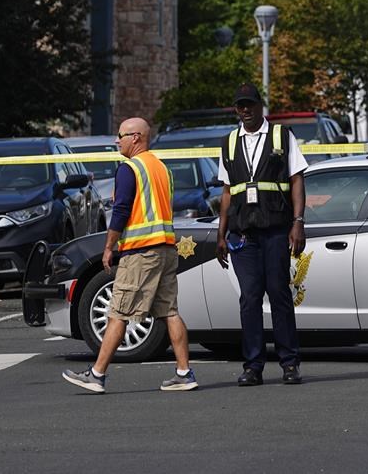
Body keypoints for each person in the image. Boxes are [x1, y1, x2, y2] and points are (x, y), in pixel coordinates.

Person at [62, 117, 197, 393]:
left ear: (136, 137)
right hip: (166, 248)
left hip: (141, 251)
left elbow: (122, 210)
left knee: (118, 312)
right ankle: (184, 373)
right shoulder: (161, 167)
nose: (116, 140)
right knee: (169, 311)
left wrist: (109, 246)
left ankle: (97, 375)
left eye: (121, 135)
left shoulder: (129, 168)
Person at [216, 83, 308, 386]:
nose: (245, 111)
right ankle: (253, 366)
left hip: (276, 230)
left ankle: (289, 363)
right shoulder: (229, 143)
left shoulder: (281, 136)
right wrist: (221, 233)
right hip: (244, 234)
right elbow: (227, 192)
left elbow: (296, 180)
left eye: (250, 105)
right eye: (240, 106)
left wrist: (298, 222)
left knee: (280, 295)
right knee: (249, 299)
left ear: (260, 106)